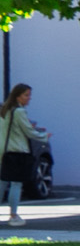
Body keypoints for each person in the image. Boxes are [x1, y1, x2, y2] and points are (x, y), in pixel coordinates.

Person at [2, 84, 34, 224]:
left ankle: (13, 215)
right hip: (16, 151)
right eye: (26, 95)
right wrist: (44, 135)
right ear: (18, 96)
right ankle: (13, 215)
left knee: (2, 183)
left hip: (4, 150)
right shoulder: (19, 111)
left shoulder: (5, 110)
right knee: (16, 184)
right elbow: (29, 132)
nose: (29, 98)